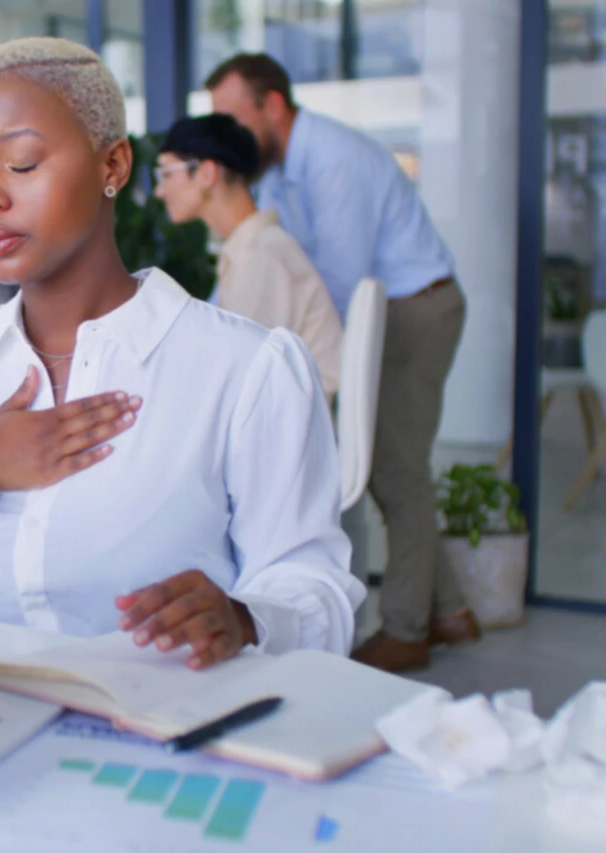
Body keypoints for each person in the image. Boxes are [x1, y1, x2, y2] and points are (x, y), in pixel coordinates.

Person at [0, 37, 363, 667]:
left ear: (113, 166)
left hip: (174, 727)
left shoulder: (245, 369)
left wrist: (248, 619)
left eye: (21, 164)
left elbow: (317, 590)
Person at [206, 53, 475, 672]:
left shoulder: (331, 160)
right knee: (391, 463)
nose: (227, 131)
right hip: (384, 309)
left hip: (415, 310)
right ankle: (451, 611)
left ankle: (407, 630)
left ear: (272, 105)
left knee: (393, 468)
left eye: (231, 114)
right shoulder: (276, 167)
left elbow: (334, 284)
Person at [153, 114, 342, 402]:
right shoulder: (252, 247)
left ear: (206, 173)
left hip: (289, 427)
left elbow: (239, 378)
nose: (160, 190)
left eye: (167, 174)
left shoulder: (259, 256)